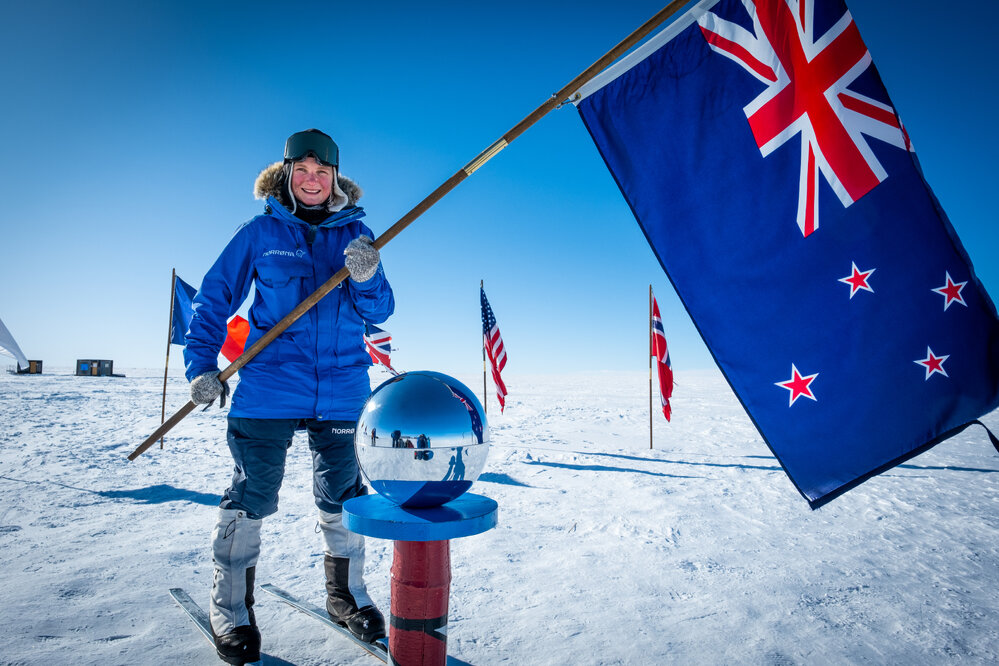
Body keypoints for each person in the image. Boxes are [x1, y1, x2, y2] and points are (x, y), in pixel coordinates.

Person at [184, 129, 395, 665]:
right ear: (286, 174)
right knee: (252, 493)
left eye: (321, 172)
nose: (311, 180)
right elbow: (213, 299)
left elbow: (380, 310)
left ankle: (347, 596)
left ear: (334, 178)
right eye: (302, 170)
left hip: (343, 388)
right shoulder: (260, 233)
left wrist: (367, 276)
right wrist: (201, 367)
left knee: (344, 496)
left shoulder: (358, 233)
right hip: (269, 388)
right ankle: (231, 609)